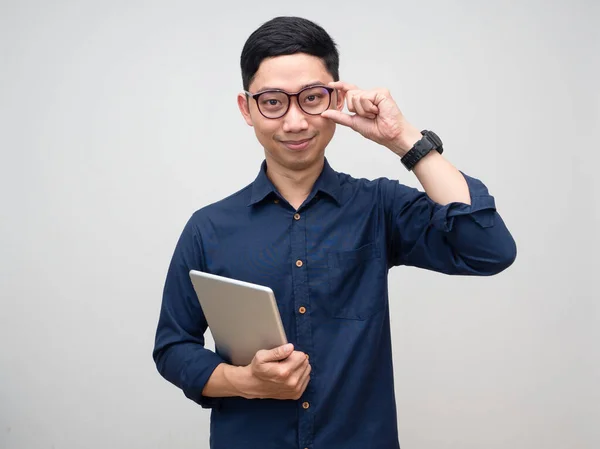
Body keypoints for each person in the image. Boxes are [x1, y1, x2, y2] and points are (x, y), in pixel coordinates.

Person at [152, 16, 517, 449]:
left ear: (336, 97)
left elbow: (487, 248)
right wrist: (244, 380)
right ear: (246, 108)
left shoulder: (378, 207)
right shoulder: (208, 227)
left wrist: (403, 139)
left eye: (311, 98)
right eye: (272, 102)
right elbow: (173, 347)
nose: (294, 122)